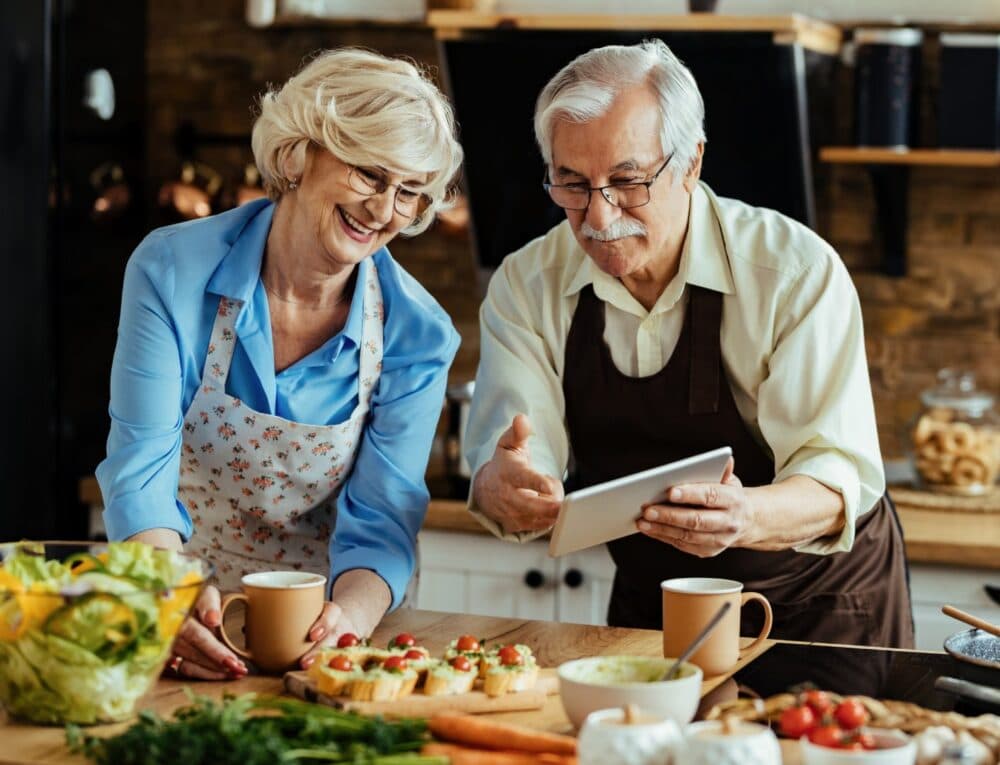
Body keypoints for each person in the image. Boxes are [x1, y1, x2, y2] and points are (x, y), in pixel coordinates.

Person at [464, 39, 913, 647]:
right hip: (657, 607)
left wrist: (746, 515)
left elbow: (836, 479)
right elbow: (516, 460)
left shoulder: (795, 272)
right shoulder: (526, 284)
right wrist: (504, 488)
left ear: (692, 162)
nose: (598, 218)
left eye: (627, 181)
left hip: (819, 608)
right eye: (572, 185)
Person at [96, 48, 463, 679]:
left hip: (327, 634)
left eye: (408, 193)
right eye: (370, 174)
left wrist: (346, 623)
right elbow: (140, 468)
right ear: (299, 153)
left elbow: (382, 521)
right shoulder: (170, 272)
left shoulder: (416, 334)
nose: (382, 212)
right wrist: (166, 597)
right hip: (185, 606)